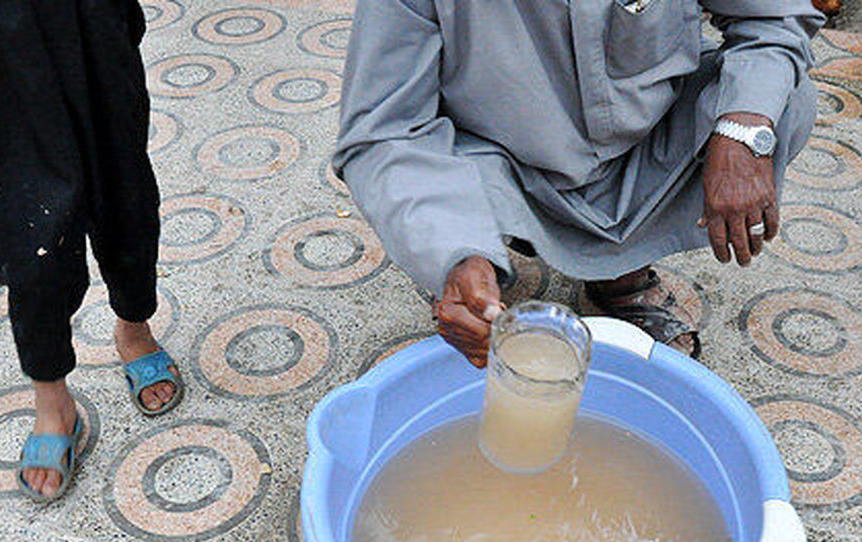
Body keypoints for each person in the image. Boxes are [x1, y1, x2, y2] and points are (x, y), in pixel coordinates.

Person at [335, 0, 823, 365]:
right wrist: (453, 250)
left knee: (782, 100)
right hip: (508, 169)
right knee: (441, 217)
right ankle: (480, 262)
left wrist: (740, 134)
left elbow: (775, 16)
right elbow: (384, 130)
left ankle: (618, 274)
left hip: (643, 151)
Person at [0, 0, 185, 502]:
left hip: (86, 16)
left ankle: (134, 328)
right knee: (27, 232)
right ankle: (52, 400)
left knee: (124, 192)